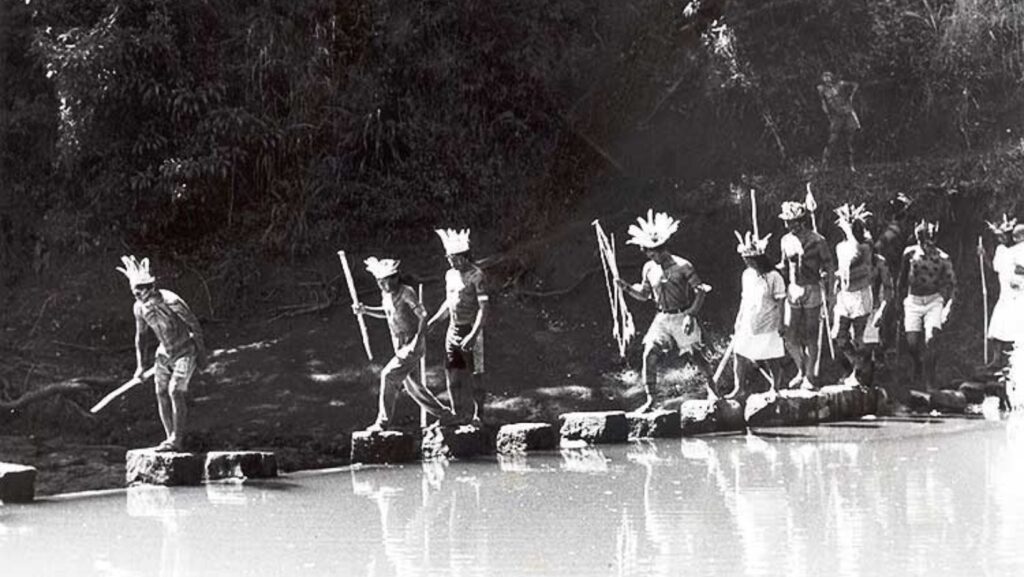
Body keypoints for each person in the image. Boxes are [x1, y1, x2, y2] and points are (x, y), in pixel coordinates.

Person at [615, 210, 716, 412]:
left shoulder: (683, 266)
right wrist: (626, 287)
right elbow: (644, 295)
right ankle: (652, 400)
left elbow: (701, 291)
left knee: (696, 356)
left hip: (682, 315)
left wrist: (691, 314)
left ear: (661, 249)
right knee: (649, 353)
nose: (649, 256)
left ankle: (713, 391)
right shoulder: (648, 268)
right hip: (661, 318)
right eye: (647, 253)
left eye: (651, 253)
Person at [353, 257, 457, 431]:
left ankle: (382, 422)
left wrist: (418, 340)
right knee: (414, 386)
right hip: (399, 344)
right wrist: (365, 310)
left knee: (388, 375)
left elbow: (423, 315)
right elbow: (387, 313)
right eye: (386, 280)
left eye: (394, 277)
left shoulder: (407, 292)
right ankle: (446, 415)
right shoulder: (385, 295)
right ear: (380, 282)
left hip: (412, 342)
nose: (391, 282)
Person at [117, 255, 206, 452]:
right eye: (135, 291)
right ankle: (169, 438)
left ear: (152, 286)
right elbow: (140, 336)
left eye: (142, 289)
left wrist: (201, 355)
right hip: (163, 354)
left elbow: (193, 324)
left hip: (184, 350)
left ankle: (177, 439)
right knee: (160, 392)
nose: (139, 294)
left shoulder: (171, 300)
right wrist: (140, 365)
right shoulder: (139, 308)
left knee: (175, 391)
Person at [427, 229, 489, 425]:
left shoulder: (477, 275)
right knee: (452, 376)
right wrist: (435, 320)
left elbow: (484, 308)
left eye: (452, 257)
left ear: (463, 257)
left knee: (476, 375)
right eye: (448, 257)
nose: (450, 261)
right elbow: (450, 302)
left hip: (471, 328)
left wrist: (473, 334)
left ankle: (479, 414)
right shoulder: (450, 275)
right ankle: (456, 413)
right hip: (453, 330)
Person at [777, 201, 835, 389]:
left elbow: (829, 266)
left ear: (801, 221)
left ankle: (810, 376)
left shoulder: (818, 240)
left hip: (813, 288)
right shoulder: (786, 240)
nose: (788, 226)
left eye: (791, 221)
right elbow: (784, 266)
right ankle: (800, 369)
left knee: (811, 334)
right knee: (789, 335)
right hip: (793, 289)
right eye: (786, 222)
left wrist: (830, 290)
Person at [897, 220, 957, 391]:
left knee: (931, 340)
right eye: (922, 239)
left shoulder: (943, 258)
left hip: (934, 301)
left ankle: (930, 380)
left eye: (930, 238)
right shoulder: (909, 254)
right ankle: (918, 363)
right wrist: (898, 300)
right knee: (912, 343)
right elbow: (901, 278)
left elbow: (952, 285)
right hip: (913, 301)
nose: (926, 243)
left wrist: (948, 307)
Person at [726, 231, 786, 398]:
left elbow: (781, 301)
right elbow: (744, 299)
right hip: (749, 321)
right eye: (745, 259)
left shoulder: (774, 277)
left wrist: (782, 323)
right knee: (739, 352)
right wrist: (738, 320)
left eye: (749, 259)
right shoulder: (746, 275)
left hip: (769, 321)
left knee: (771, 356)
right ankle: (739, 388)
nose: (746, 262)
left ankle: (775, 387)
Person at [832, 204, 875, 386]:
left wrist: (849, 231)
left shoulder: (864, 247)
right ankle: (857, 364)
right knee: (839, 337)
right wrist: (835, 278)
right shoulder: (840, 246)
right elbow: (843, 267)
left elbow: (855, 254)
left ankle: (858, 374)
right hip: (845, 295)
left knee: (859, 337)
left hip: (860, 295)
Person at [980, 216, 1024, 364]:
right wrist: (984, 255)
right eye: (998, 236)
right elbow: (994, 268)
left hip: (1020, 294)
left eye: (1003, 235)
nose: (1001, 238)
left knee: (1019, 326)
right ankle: (996, 359)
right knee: (998, 325)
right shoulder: (1001, 251)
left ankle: (1016, 362)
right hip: (1005, 294)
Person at [817, 71, 861, 171]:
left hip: (847, 112)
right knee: (832, 140)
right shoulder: (822, 89)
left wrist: (850, 97)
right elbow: (823, 103)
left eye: (829, 77)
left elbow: (855, 85)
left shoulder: (840, 85)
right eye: (825, 77)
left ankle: (850, 165)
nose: (827, 79)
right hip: (836, 115)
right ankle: (825, 165)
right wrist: (827, 114)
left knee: (849, 140)